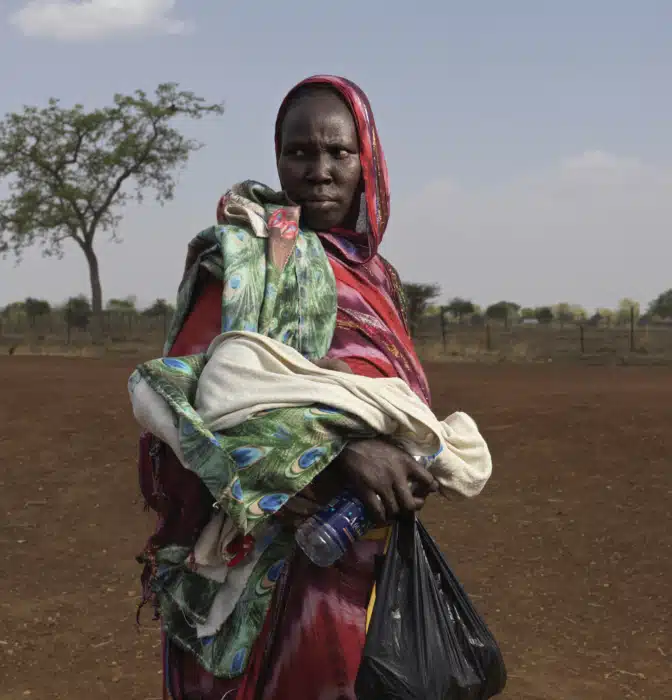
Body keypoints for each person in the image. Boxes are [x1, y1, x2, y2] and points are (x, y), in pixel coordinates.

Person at [137, 75, 439, 700]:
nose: (319, 171)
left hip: (366, 555)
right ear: (277, 159)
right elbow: (192, 399)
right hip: (268, 560)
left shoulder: (379, 279)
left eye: (339, 152)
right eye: (299, 152)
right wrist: (339, 451)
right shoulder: (250, 261)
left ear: (367, 161)